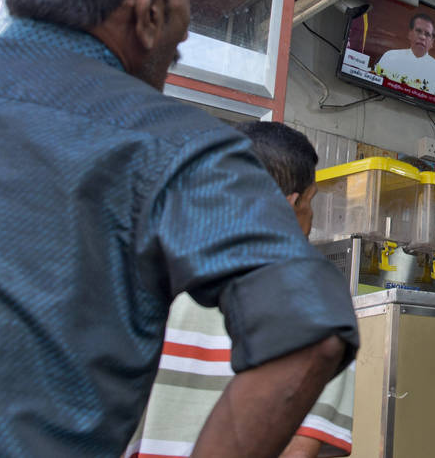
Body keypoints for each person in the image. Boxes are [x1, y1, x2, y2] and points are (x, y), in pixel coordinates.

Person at [0, 0, 358, 457]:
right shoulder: (177, 147)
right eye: (187, 10)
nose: (182, 43)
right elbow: (309, 329)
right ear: (150, 9)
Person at [125, 121, 355, 458]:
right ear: (288, 205)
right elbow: (300, 450)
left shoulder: (153, 283)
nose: (312, 217)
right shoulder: (316, 304)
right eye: (310, 201)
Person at [374, 12, 435, 96]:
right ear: (410, 34)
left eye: (427, 34)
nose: (422, 37)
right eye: (418, 31)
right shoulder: (390, 56)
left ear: (432, 42)